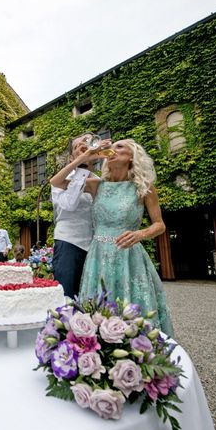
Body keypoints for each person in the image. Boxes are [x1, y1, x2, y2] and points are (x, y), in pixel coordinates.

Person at [78, 139, 174, 336]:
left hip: (129, 257)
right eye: (113, 146)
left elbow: (160, 224)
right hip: (99, 256)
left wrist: (141, 233)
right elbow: (59, 183)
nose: (113, 149)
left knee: (132, 311)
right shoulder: (97, 185)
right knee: (97, 310)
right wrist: (87, 157)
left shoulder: (144, 187)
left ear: (132, 157)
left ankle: (140, 350)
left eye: (120, 146)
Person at [48, 133, 101, 298]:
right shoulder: (61, 180)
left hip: (95, 246)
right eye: (79, 145)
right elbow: (69, 205)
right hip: (68, 243)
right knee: (67, 297)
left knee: (94, 297)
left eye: (88, 143)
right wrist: (81, 167)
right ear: (72, 157)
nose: (85, 146)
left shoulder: (100, 180)